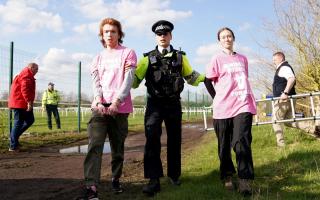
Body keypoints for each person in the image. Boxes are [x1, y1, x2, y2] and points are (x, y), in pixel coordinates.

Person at [132, 20, 205, 196]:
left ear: (171, 36)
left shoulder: (181, 57)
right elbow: (134, 82)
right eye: (159, 34)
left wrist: (208, 78)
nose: (162, 36)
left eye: (165, 33)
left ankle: (174, 175)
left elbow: (191, 77)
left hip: (173, 103)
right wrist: (126, 74)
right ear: (156, 37)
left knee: (174, 140)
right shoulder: (146, 58)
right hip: (154, 105)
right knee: (152, 140)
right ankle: (153, 179)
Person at [77, 18, 137, 200]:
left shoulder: (128, 53)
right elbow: (96, 82)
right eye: (106, 32)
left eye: (113, 31)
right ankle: (91, 187)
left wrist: (117, 102)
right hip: (100, 109)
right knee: (94, 146)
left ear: (119, 34)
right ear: (101, 36)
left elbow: (128, 79)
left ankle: (115, 178)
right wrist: (97, 99)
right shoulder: (97, 58)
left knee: (117, 148)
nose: (110, 34)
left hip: (120, 108)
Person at [205, 27, 256, 196]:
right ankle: (227, 175)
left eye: (229, 36)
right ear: (219, 41)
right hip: (223, 108)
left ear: (233, 38)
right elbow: (207, 81)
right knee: (224, 145)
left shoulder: (243, 58)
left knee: (241, 141)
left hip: (243, 105)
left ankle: (244, 179)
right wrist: (216, 97)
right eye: (223, 37)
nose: (227, 39)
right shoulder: (216, 59)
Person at [8, 63, 39, 152]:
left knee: (30, 120)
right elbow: (24, 89)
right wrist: (29, 102)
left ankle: (14, 138)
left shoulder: (25, 75)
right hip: (20, 103)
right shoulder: (26, 76)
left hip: (22, 102)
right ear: (31, 68)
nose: (37, 71)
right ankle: (13, 145)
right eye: (36, 69)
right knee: (18, 123)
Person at [272, 51, 296, 147]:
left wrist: (285, 93)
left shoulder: (284, 67)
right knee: (289, 121)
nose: (273, 61)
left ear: (281, 58)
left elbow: (292, 78)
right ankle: (314, 129)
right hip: (289, 98)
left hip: (284, 100)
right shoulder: (283, 68)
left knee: (275, 120)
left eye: (275, 59)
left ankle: (281, 145)